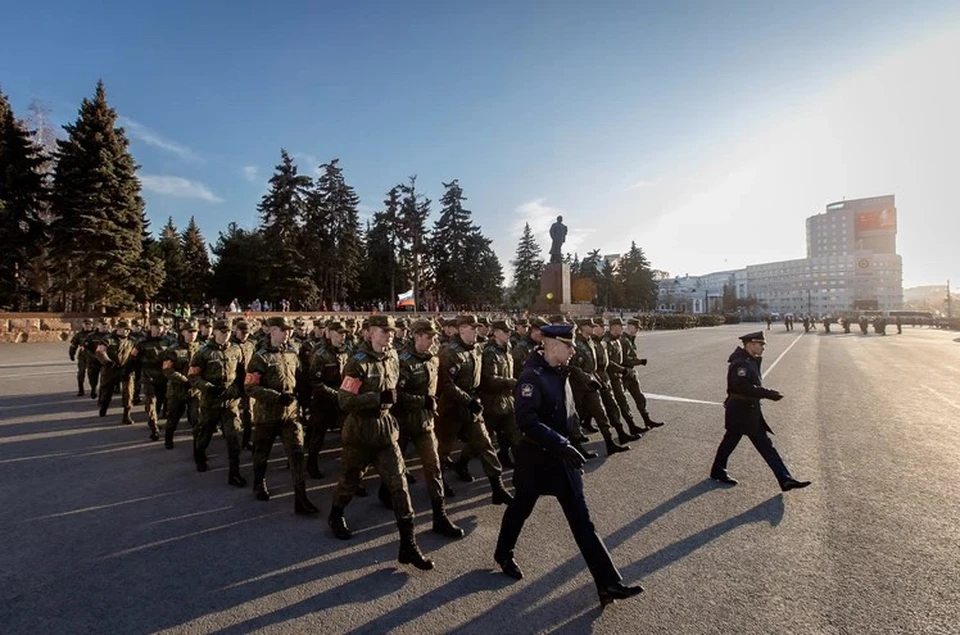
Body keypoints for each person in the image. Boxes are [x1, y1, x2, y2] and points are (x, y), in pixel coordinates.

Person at [493, 323, 645, 607]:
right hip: (537, 458)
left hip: (563, 459)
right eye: (568, 345)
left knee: (583, 523)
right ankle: (503, 552)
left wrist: (573, 443)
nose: (574, 350)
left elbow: (569, 415)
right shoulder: (531, 377)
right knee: (521, 508)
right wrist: (561, 443)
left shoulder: (562, 371)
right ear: (550, 345)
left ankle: (608, 584)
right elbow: (526, 421)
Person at [327, 314, 434, 571]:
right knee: (350, 481)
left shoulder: (394, 357)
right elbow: (344, 400)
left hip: (386, 431)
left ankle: (408, 545)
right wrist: (376, 397)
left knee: (400, 485)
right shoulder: (357, 364)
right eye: (383, 331)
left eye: (392, 331)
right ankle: (336, 514)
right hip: (360, 433)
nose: (389, 335)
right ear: (369, 333)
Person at [709, 331, 812, 492]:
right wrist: (767, 393)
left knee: (761, 445)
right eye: (760, 344)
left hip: (748, 410)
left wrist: (765, 393)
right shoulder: (741, 363)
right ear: (750, 344)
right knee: (733, 442)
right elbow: (741, 386)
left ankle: (785, 479)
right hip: (741, 411)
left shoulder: (749, 360)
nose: (763, 347)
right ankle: (784, 478)